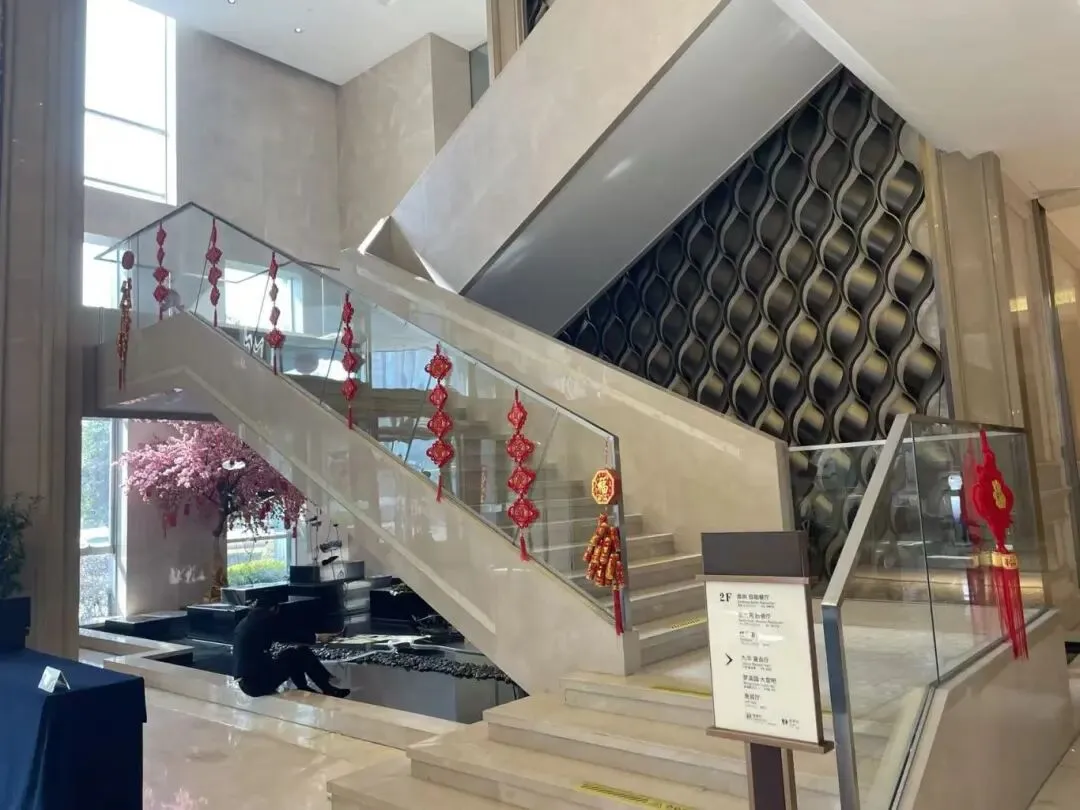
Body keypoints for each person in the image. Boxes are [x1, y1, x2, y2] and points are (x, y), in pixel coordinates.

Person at [232, 598, 350, 699]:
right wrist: (317, 637)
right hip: (256, 683)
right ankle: (325, 687)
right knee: (296, 655)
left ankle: (314, 687)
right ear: (274, 609)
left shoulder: (251, 620)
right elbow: (285, 634)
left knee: (294, 653)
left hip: (250, 681)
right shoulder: (264, 620)